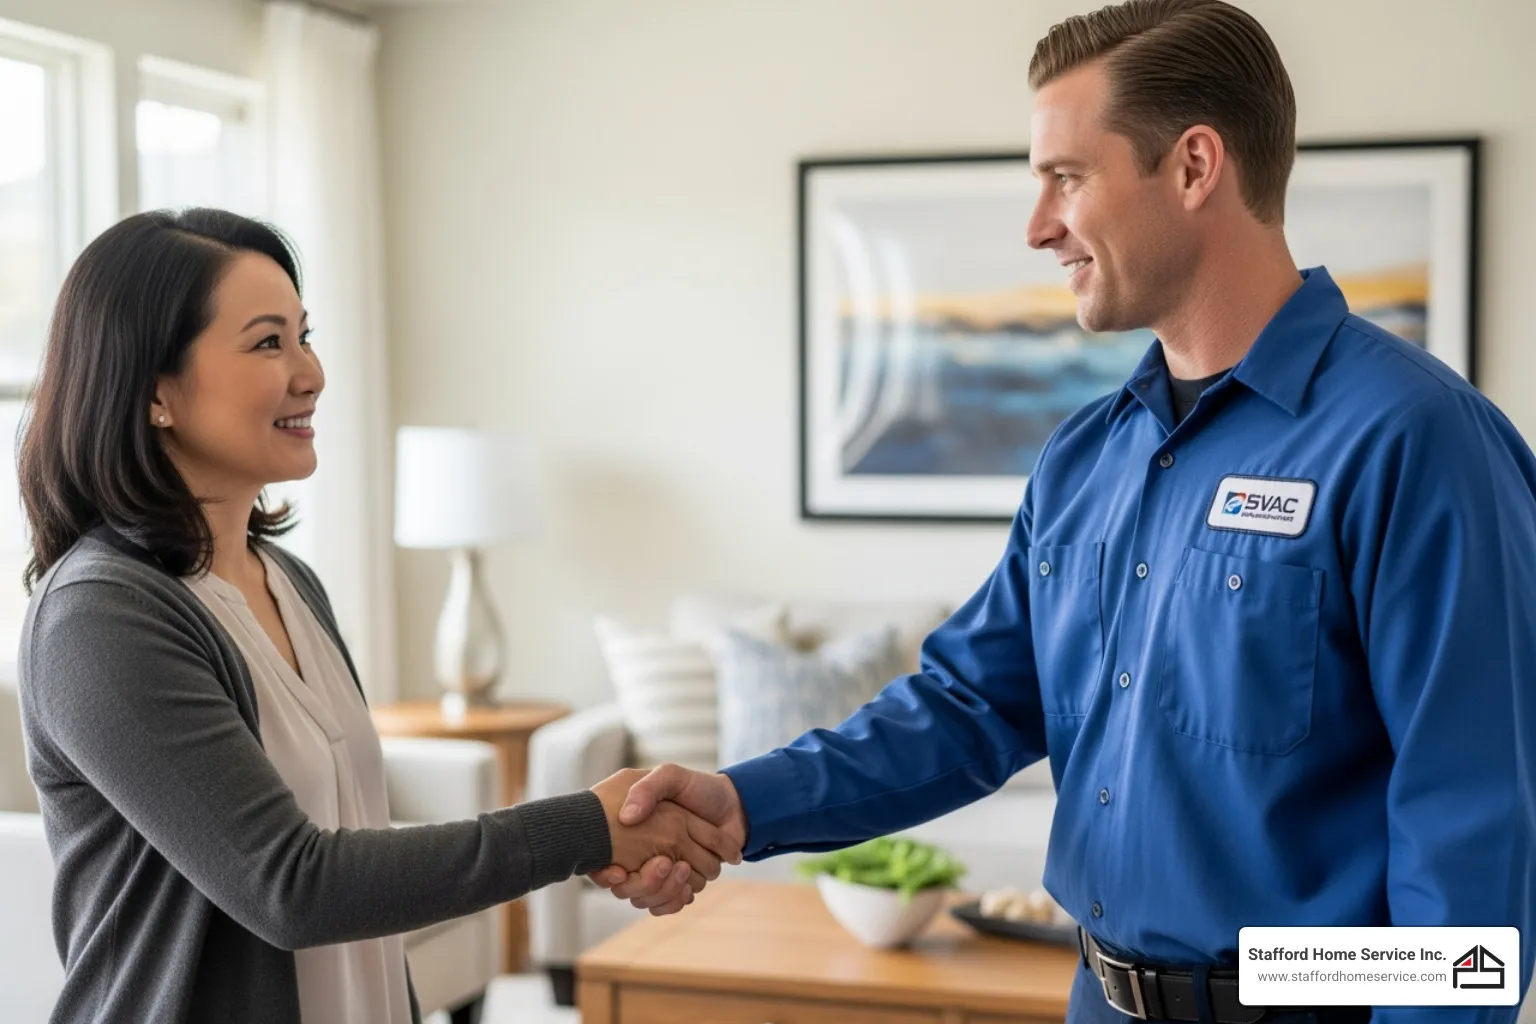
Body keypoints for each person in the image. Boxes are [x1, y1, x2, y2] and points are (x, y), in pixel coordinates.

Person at [590, 2, 1536, 1022]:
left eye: (1066, 178)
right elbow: (969, 707)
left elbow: (1470, 876)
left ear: (1194, 166)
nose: (1037, 226)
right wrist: (740, 804)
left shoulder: (1418, 439)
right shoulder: (1085, 456)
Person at [13, 208, 739, 1024]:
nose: (311, 371)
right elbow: (293, 885)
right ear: (155, 394)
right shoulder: (101, 617)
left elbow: (352, 860)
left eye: (304, 335)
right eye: (266, 343)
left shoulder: (287, 581)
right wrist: (585, 831)